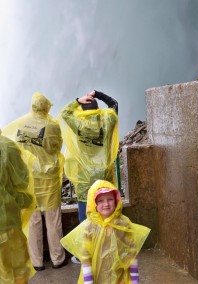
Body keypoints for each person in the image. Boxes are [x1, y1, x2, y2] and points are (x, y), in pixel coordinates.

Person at [2, 92, 67, 271]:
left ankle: (37, 262)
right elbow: (57, 146)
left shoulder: (20, 123)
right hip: (49, 180)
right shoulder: (52, 124)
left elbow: (10, 140)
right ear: (46, 106)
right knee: (53, 219)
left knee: (33, 220)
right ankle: (57, 258)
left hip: (29, 179)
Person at [58, 90, 119, 263]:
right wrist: (97, 94)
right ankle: (109, 252)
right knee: (107, 216)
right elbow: (114, 105)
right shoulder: (107, 120)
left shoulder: (78, 124)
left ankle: (85, 255)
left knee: (85, 220)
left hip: (85, 181)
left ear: (82, 110)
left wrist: (78, 100)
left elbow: (64, 113)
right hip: (104, 179)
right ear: (98, 108)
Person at [61, 179, 151, 283]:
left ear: (116, 200)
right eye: (101, 200)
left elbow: (131, 252)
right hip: (97, 277)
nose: (106, 204)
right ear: (94, 203)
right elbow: (86, 257)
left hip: (119, 277)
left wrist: (134, 278)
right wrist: (88, 280)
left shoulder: (123, 223)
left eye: (110, 199)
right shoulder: (90, 226)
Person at [0, 130, 36, 284]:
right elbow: (22, 182)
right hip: (8, 221)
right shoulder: (8, 146)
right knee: (18, 270)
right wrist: (24, 200)